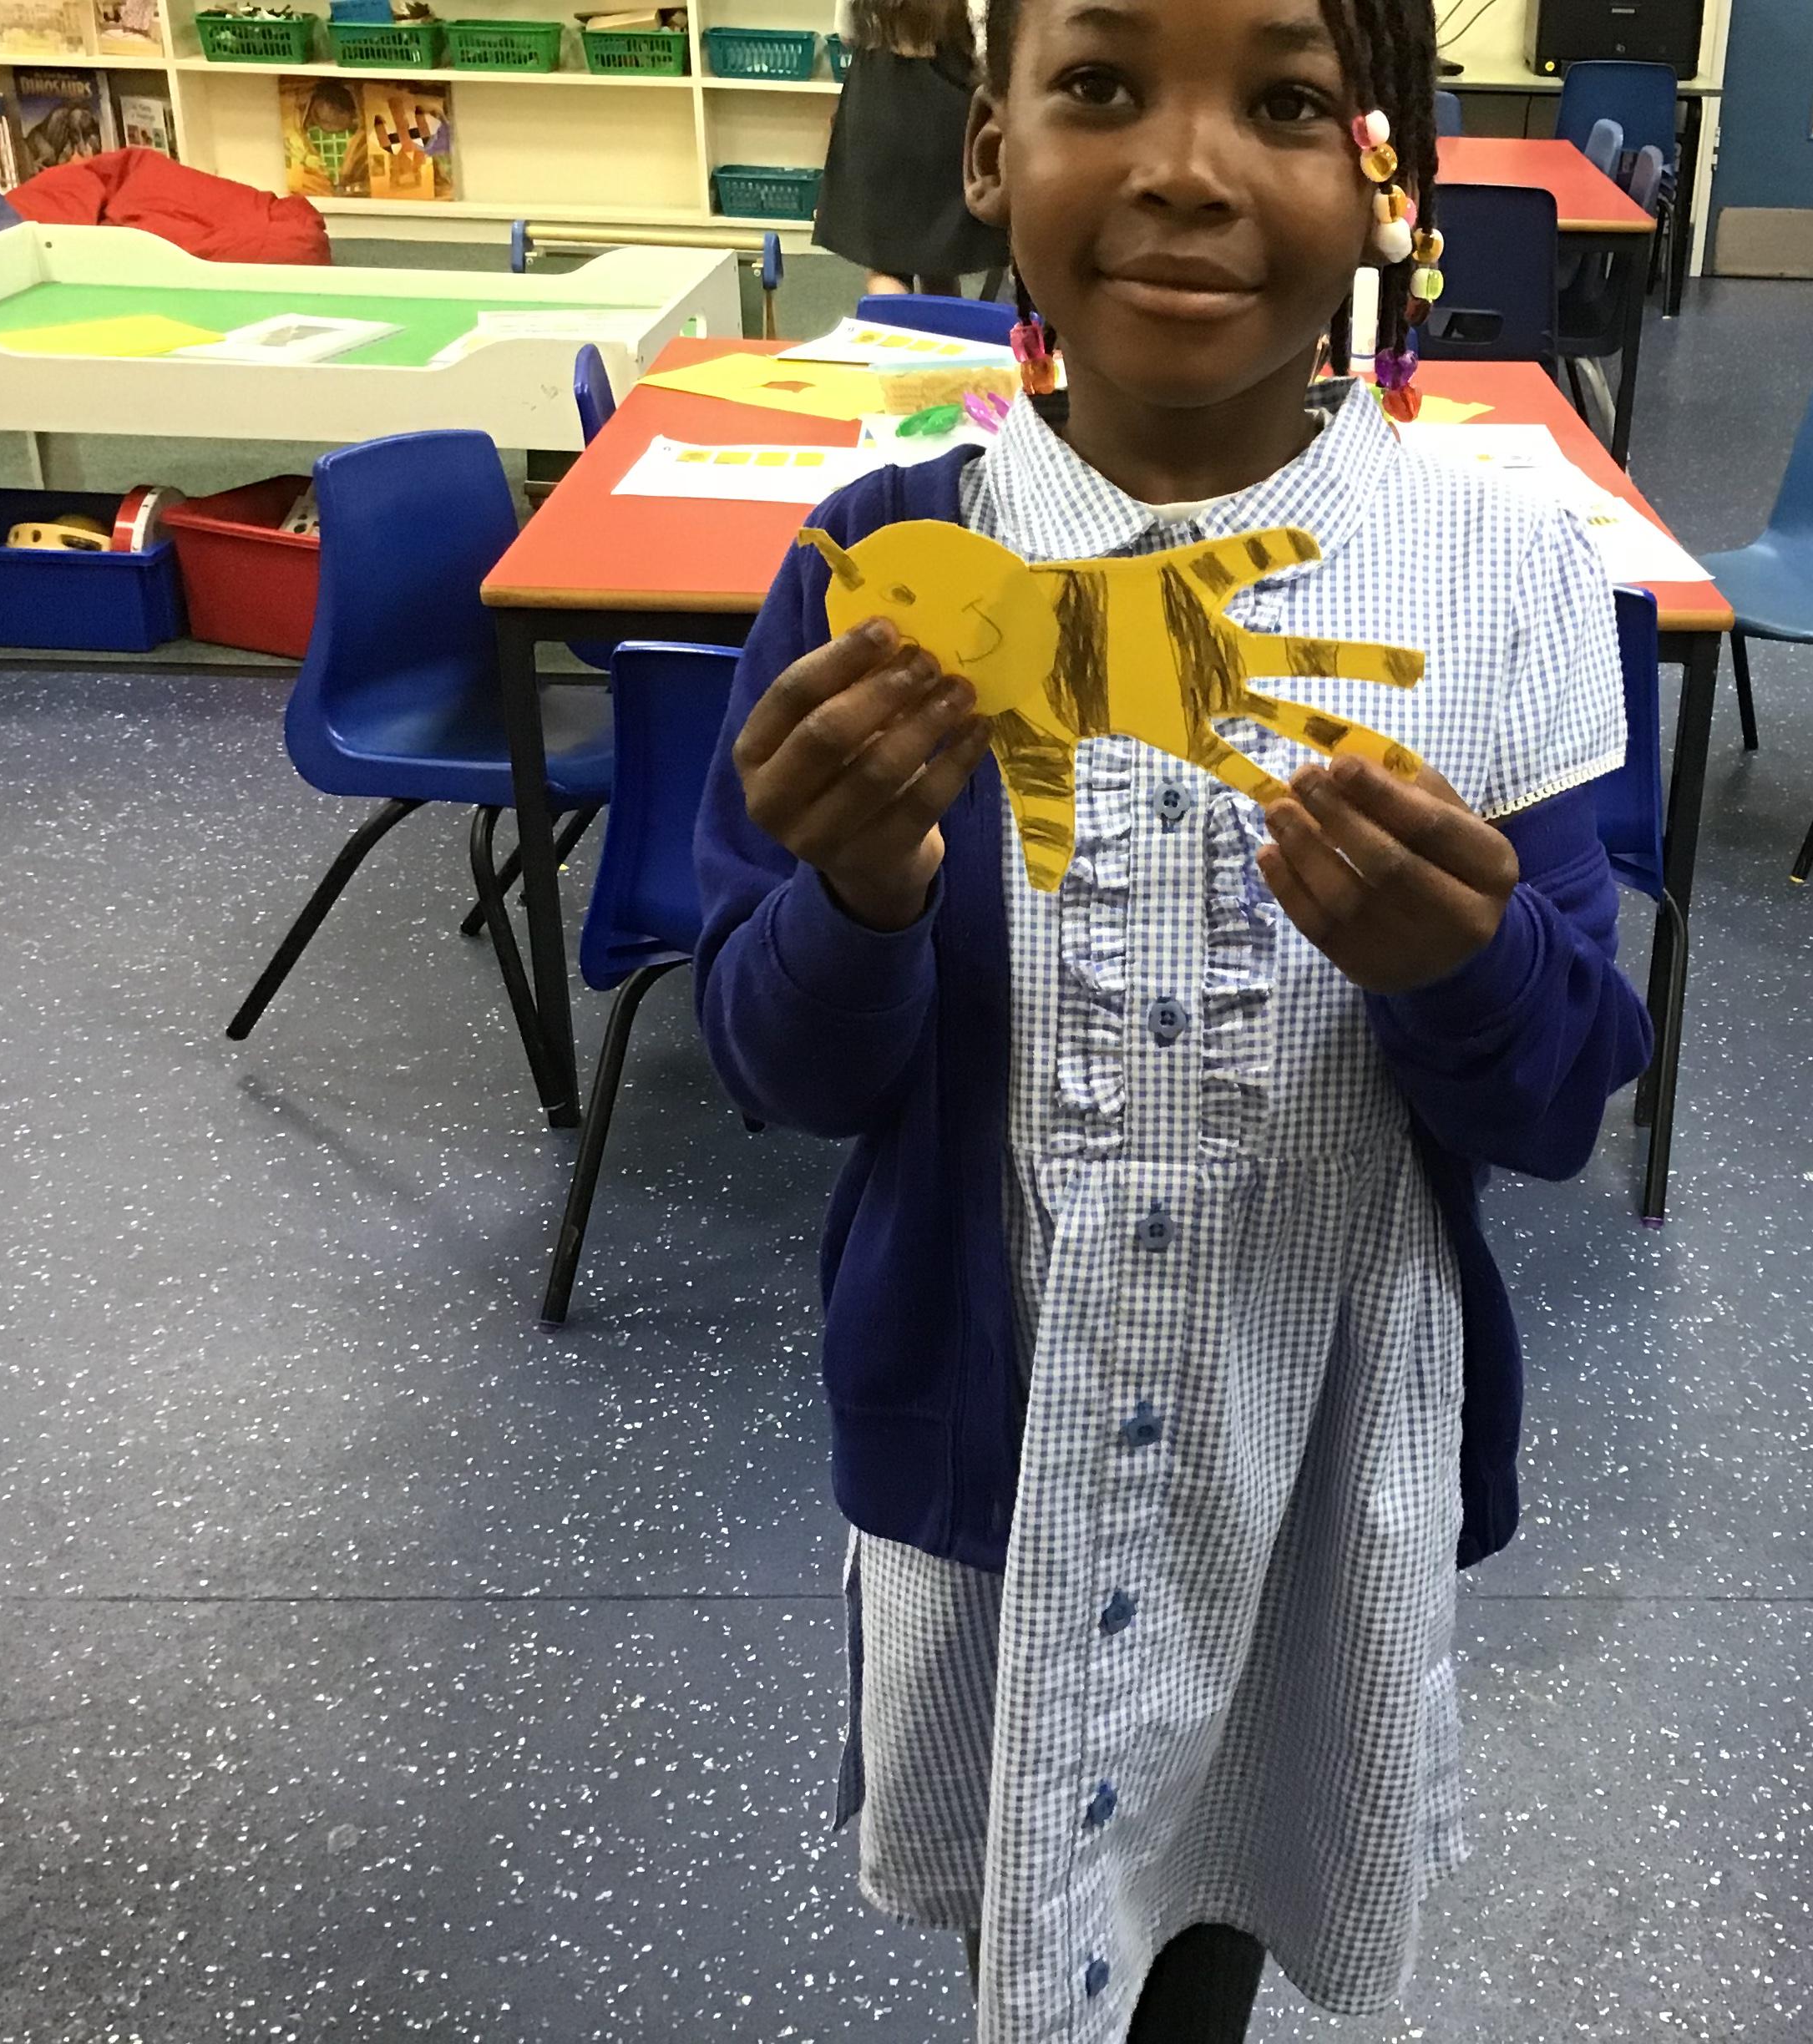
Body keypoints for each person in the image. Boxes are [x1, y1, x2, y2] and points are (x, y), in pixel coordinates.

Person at [691, 0, 1653, 2035]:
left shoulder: (1503, 576)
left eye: (1286, 101)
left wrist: (1461, 965)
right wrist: (862, 894)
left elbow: (1565, 1096)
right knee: (1023, 1913)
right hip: (995, 1448)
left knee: (1220, 1906)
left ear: (1384, 180)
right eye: (1101, 87)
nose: (1187, 170)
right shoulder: (883, 569)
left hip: (1318, 1452)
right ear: (990, 148)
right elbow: (778, 1067)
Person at [815, 0, 1010, 296]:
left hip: (876, 101)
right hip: (947, 116)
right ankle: (941, 324)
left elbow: (847, 32)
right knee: (941, 261)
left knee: (885, 264)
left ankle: (891, 325)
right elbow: (987, 51)